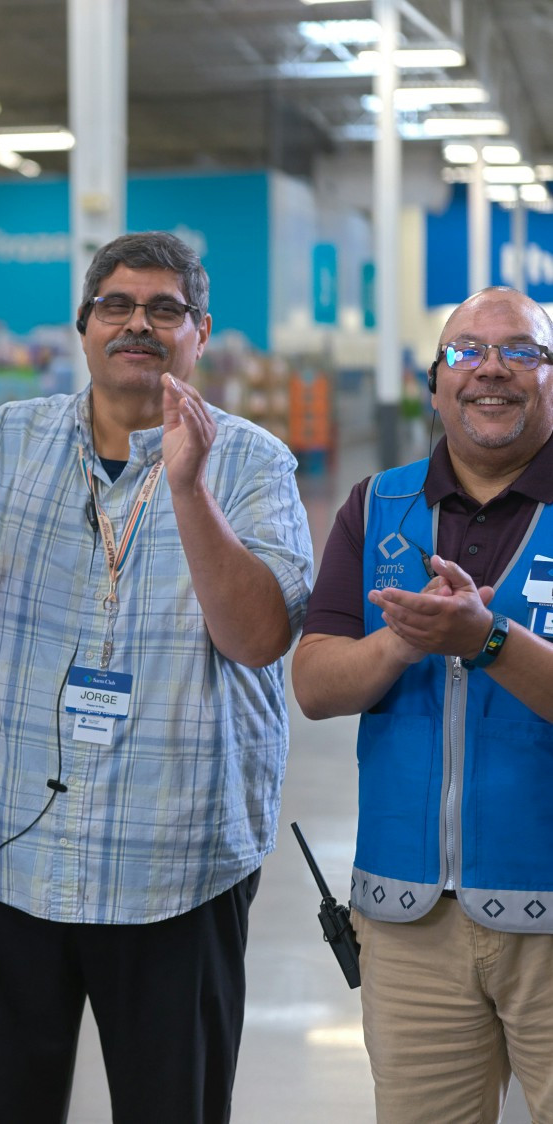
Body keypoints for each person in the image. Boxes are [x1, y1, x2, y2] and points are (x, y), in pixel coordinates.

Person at [0, 231, 313, 1124]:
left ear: (200, 333)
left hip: (175, 870)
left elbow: (256, 636)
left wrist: (190, 491)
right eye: (117, 306)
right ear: (83, 328)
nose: (139, 324)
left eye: (166, 309)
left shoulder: (251, 464)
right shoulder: (1, 440)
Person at [292, 286, 553, 1123]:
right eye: (466, 351)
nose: (491, 370)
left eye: (520, 351)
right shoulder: (377, 507)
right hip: (407, 925)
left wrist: (485, 640)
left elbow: (487, 647)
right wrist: (402, 641)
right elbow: (314, 683)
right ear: (434, 381)